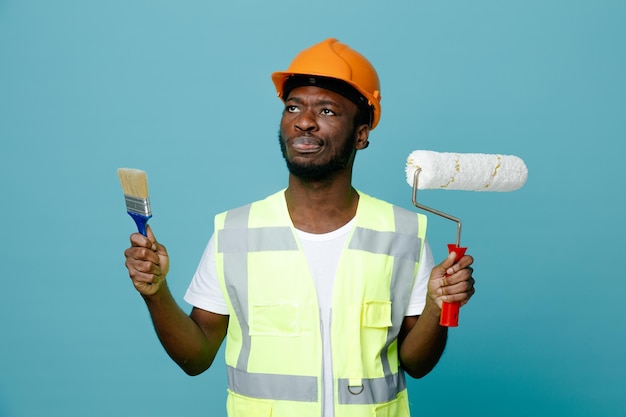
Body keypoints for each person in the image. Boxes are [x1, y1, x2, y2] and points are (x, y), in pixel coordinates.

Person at [124, 38, 475, 417]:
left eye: (326, 110)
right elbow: (196, 357)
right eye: (293, 107)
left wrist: (439, 307)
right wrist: (156, 292)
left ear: (361, 134)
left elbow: (417, 364)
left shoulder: (404, 233)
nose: (303, 121)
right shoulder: (235, 232)